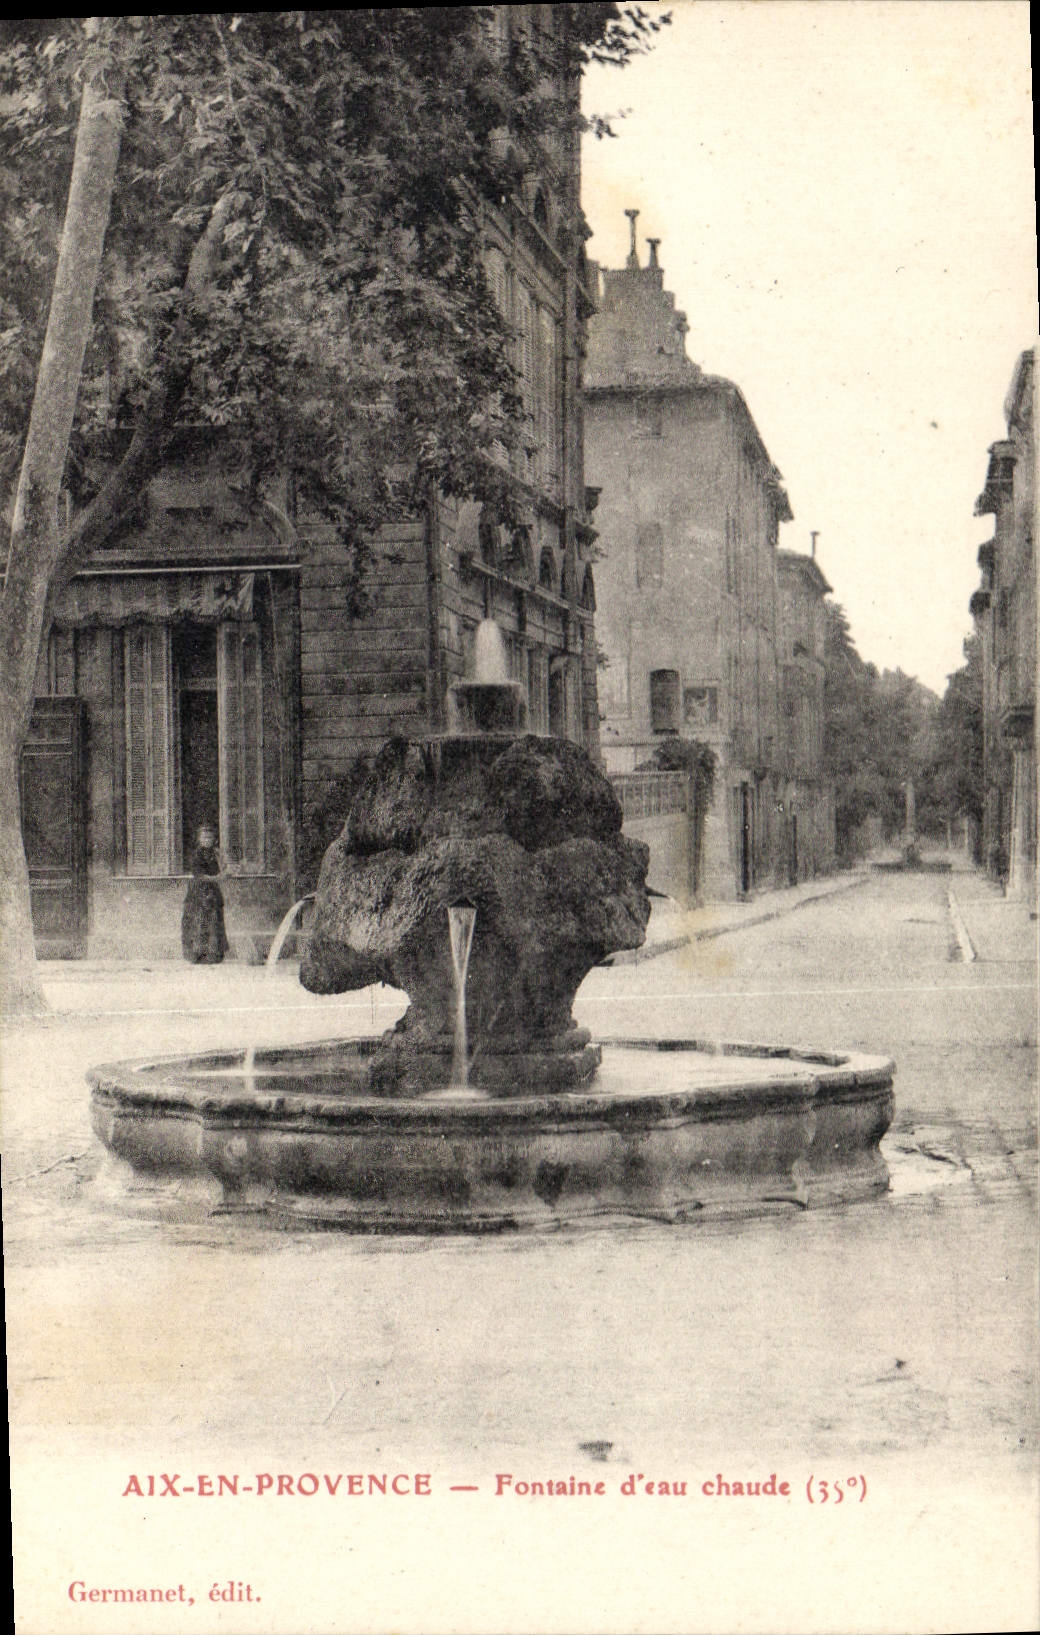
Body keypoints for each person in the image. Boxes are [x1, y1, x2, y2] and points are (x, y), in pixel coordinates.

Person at [181, 824, 230, 964]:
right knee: (200, 921)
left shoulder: (216, 854)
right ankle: (198, 954)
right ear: (199, 839)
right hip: (199, 891)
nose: (207, 840)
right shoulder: (196, 855)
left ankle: (214, 953)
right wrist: (218, 878)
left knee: (214, 920)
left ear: (214, 839)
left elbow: (222, 869)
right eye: (204, 837)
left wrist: (226, 871)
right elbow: (199, 875)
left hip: (213, 890)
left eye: (210, 837)